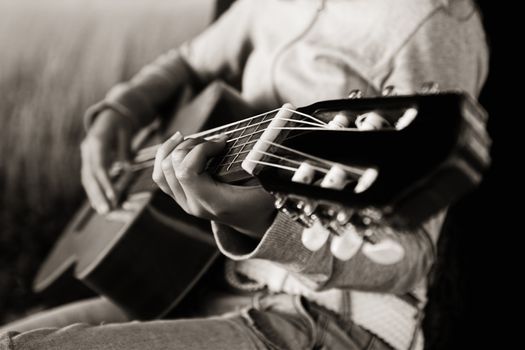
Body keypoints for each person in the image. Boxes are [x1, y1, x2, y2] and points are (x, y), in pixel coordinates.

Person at [0, 0, 488, 349]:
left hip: (328, 318)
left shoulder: (429, 21)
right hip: (196, 277)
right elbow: (189, 61)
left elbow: (410, 259)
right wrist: (119, 113)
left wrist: (266, 224)